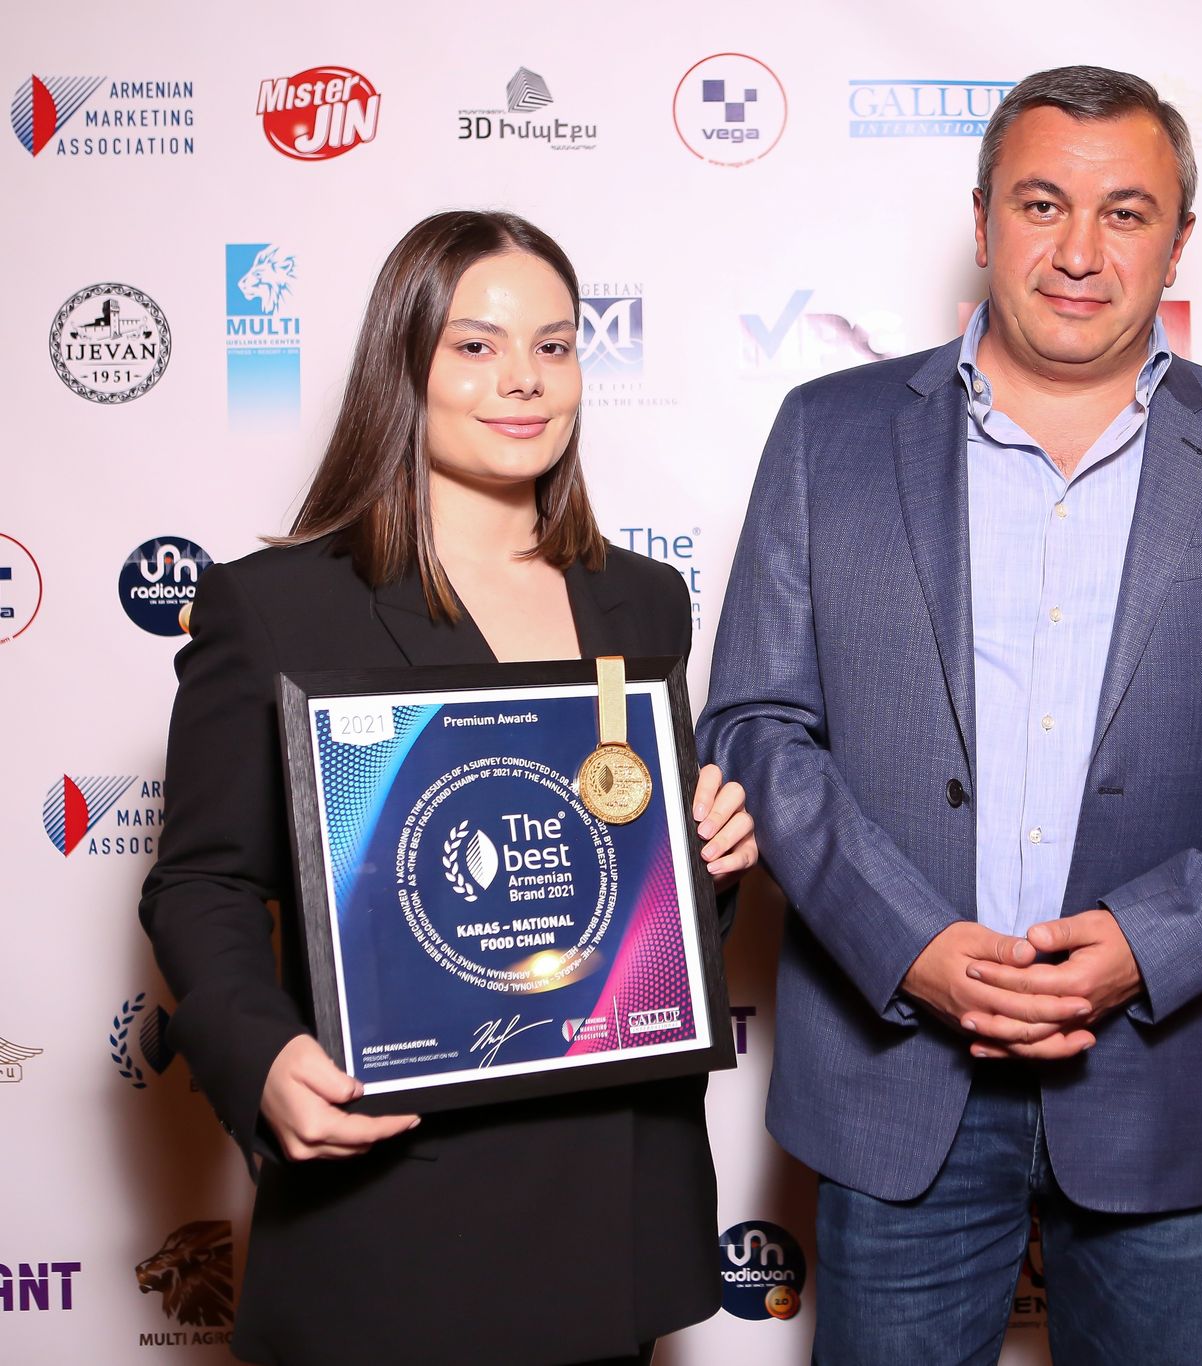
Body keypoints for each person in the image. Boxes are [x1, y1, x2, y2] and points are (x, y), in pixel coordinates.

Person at [699, 65, 1202, 1366]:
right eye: (1041, 204)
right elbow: (755, 725)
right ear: (981, 221)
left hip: (1161, 1076)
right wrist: (909, 944)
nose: (1079, 251)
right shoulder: (825, 434)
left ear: (1177, 243)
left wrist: (1148, 941)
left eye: (1125, 213)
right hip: (895, 1075)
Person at [139, 210, 756, 1366]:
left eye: (554, 346)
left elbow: (629, 898)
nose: (523, 378)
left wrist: (704, 862)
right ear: (404, 364)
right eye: (475, 346)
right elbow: (201, 883)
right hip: (401, 1206)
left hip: (607, 1199)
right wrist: (262, 1056)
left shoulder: (641, 599)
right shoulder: (277, 606)